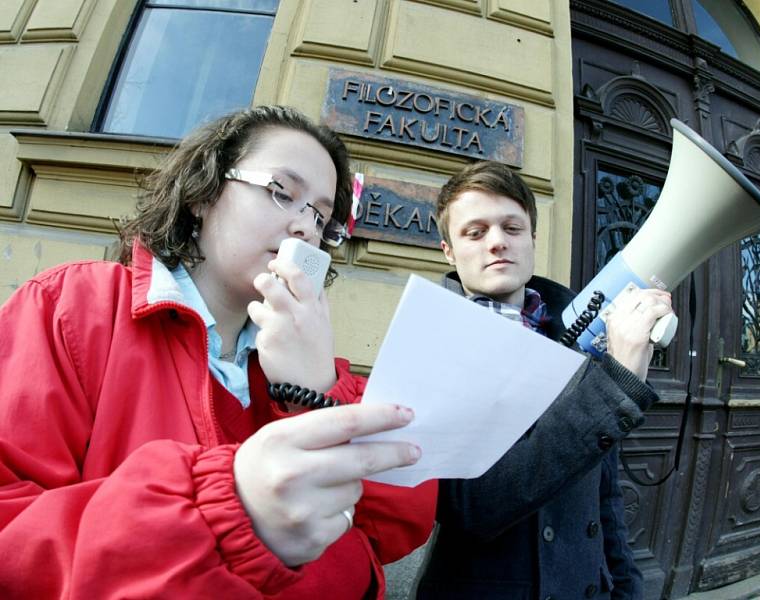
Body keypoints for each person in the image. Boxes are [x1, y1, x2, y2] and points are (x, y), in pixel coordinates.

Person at [0, 105, 436, 599]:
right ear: (202, 196)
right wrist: (226, 511)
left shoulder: (309, 367)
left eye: (323, 219)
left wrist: (314, 392)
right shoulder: (75, 307)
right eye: (282, 193)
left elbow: (394, 526)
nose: (305, 229)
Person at [415, 161, 673, 599]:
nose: (497, 242)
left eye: (512, 228)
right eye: (474, 233)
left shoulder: (579, 335)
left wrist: (627, 589)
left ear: (533, 239)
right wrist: (615, 386)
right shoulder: (429, 341)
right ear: (448, 251)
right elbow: (472, 506)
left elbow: (604, 498)